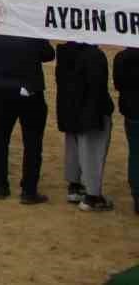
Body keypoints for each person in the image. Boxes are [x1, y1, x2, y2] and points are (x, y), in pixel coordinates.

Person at [0, 32, 54, 203]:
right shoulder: (31, 31)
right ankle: (28, 190)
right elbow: (48, 54)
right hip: (29, 91)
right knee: (32, 142)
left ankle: (0, 185)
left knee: (0, 138)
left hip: (3, 89)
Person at [56, 40, 115, 211]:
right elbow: (98, 87)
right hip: (90, 112)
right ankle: (92, 196)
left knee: (73, 148)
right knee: (92, 153)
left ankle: (75, 187)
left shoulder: (64, 51)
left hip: (69, 108)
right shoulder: (95, 55)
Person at [113, 45, 139, 214]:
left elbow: (118, 85)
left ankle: (137, 195)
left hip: (132, 110)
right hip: (132, 110)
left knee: (135, 153)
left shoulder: (121, 57)